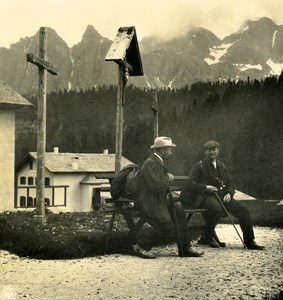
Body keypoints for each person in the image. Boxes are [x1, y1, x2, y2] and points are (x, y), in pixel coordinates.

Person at [181, 140, 264, 250]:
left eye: (214, 150)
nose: (212, 152)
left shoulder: (222, 165)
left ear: (218, 151)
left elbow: (230, 182)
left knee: (243, 210)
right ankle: (207, 235)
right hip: (205, 197)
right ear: (205, 152)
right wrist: (206, 187)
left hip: (222, 196)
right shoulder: (199, 165)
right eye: (209, 150)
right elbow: (190, 183)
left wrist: (229, 193)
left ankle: (249, 241)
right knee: (217, 209)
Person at [132, 136, 204, 259]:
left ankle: (184, 248)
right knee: (167, 226)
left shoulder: (158, 162)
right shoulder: (150, 163)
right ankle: (141, 245)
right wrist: (168, 178)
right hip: (148, 203)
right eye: (169, 149)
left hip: (159, 201)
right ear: (162, 150)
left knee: (179, 213)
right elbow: (156, 186)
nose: (171, 152)